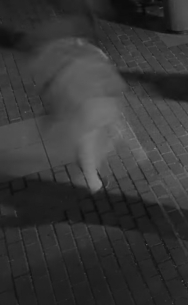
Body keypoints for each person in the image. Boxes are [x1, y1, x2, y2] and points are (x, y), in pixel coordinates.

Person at [0, 18, 127, 194]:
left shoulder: (47, 59)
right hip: (98, 104)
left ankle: (92, 180)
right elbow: (107, 74)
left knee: (86, 147)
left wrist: (53, 114)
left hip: (82, 110)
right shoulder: (90, 51)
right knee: (97, 141)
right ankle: (92, 180)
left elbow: (51, 90)